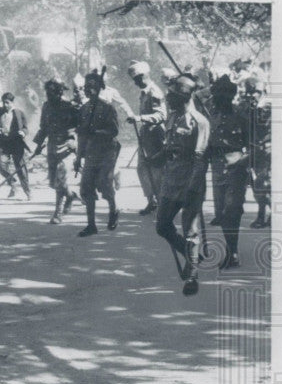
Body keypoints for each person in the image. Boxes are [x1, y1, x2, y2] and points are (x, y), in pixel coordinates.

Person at [154, 76, 210, 295]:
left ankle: (192, 276)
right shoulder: (173, 117)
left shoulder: (199, 121)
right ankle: (190, 256)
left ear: (184, 97)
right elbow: (170, 148)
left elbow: (200, 158)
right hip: (171, 181)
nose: (168, 99)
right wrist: (157, 156)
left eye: (172, 96)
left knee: (190, 231)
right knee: (162, 226)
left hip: (190, 183)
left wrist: (193, 187)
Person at [206, 75, 250, 268]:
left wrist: (243, 162)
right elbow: (206, 144)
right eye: (216, 94)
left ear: (231, 95)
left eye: (223, 94)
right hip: (217, 168)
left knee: (232, 210)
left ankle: (232, 252)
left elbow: (254, 145)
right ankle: (230, 248)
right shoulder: (211, 117)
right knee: (222, 213)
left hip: (237, 169)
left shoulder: (242, 115)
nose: (218, 97)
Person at [74, 72, 121, 237]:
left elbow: (114, 131)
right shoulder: (83, 110)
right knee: (86, 187)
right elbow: (81, 136)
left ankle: (113, 210)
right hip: (90, 152)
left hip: (107, 151)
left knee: (104, 184)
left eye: (92, 87)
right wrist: (78, 157)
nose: (89, 91)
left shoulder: (108, 108)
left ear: (98, 89)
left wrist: (97, 132)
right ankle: (91, 225)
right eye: (86, 88)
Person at [31, 80, 78, 223]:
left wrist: (73, 139)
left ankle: (58, 213)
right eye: (47, 92)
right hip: (52, 146)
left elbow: (77, 126)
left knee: (61, 180)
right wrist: (38, 145)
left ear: (59, 92)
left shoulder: (69, 106)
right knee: (53, 183)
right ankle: (70, 196)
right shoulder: (46, 106)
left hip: (66, 147)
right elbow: (43, 127)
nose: (48, 95)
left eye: (51, 92)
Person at [125, 60, 167, 215]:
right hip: (146, 136)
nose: (136, 83)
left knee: (157, 171)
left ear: (144, 76)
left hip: (156, 136)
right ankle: (152, 200)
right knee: (143, 169)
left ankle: (162, 203)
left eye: (137, 79)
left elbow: (162, 115)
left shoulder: (154, 92)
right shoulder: (144, 92)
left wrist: (140, 118)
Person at [0, 92, 31, 200]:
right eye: (3, 103)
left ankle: (27, 191)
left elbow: (26, 128)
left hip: (16, 143)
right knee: (2, 168)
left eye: (7, 103)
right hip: (3, 144)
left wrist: (23, 133)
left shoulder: (19, 113)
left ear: (12, 102)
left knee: (21, 169)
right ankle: (13, 184)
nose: (5, 105)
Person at [241, 78, 271, 229]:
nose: (253, 95)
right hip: (253, 150)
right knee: (256, 185)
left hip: (266, 150)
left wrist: (255, 109)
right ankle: (267, 215)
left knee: (263, 184)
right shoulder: (249, 106)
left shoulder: (267, 106)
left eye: (257, 92)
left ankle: (263, 216)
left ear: (264, 92)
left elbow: (264, 126)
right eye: (250, 92)